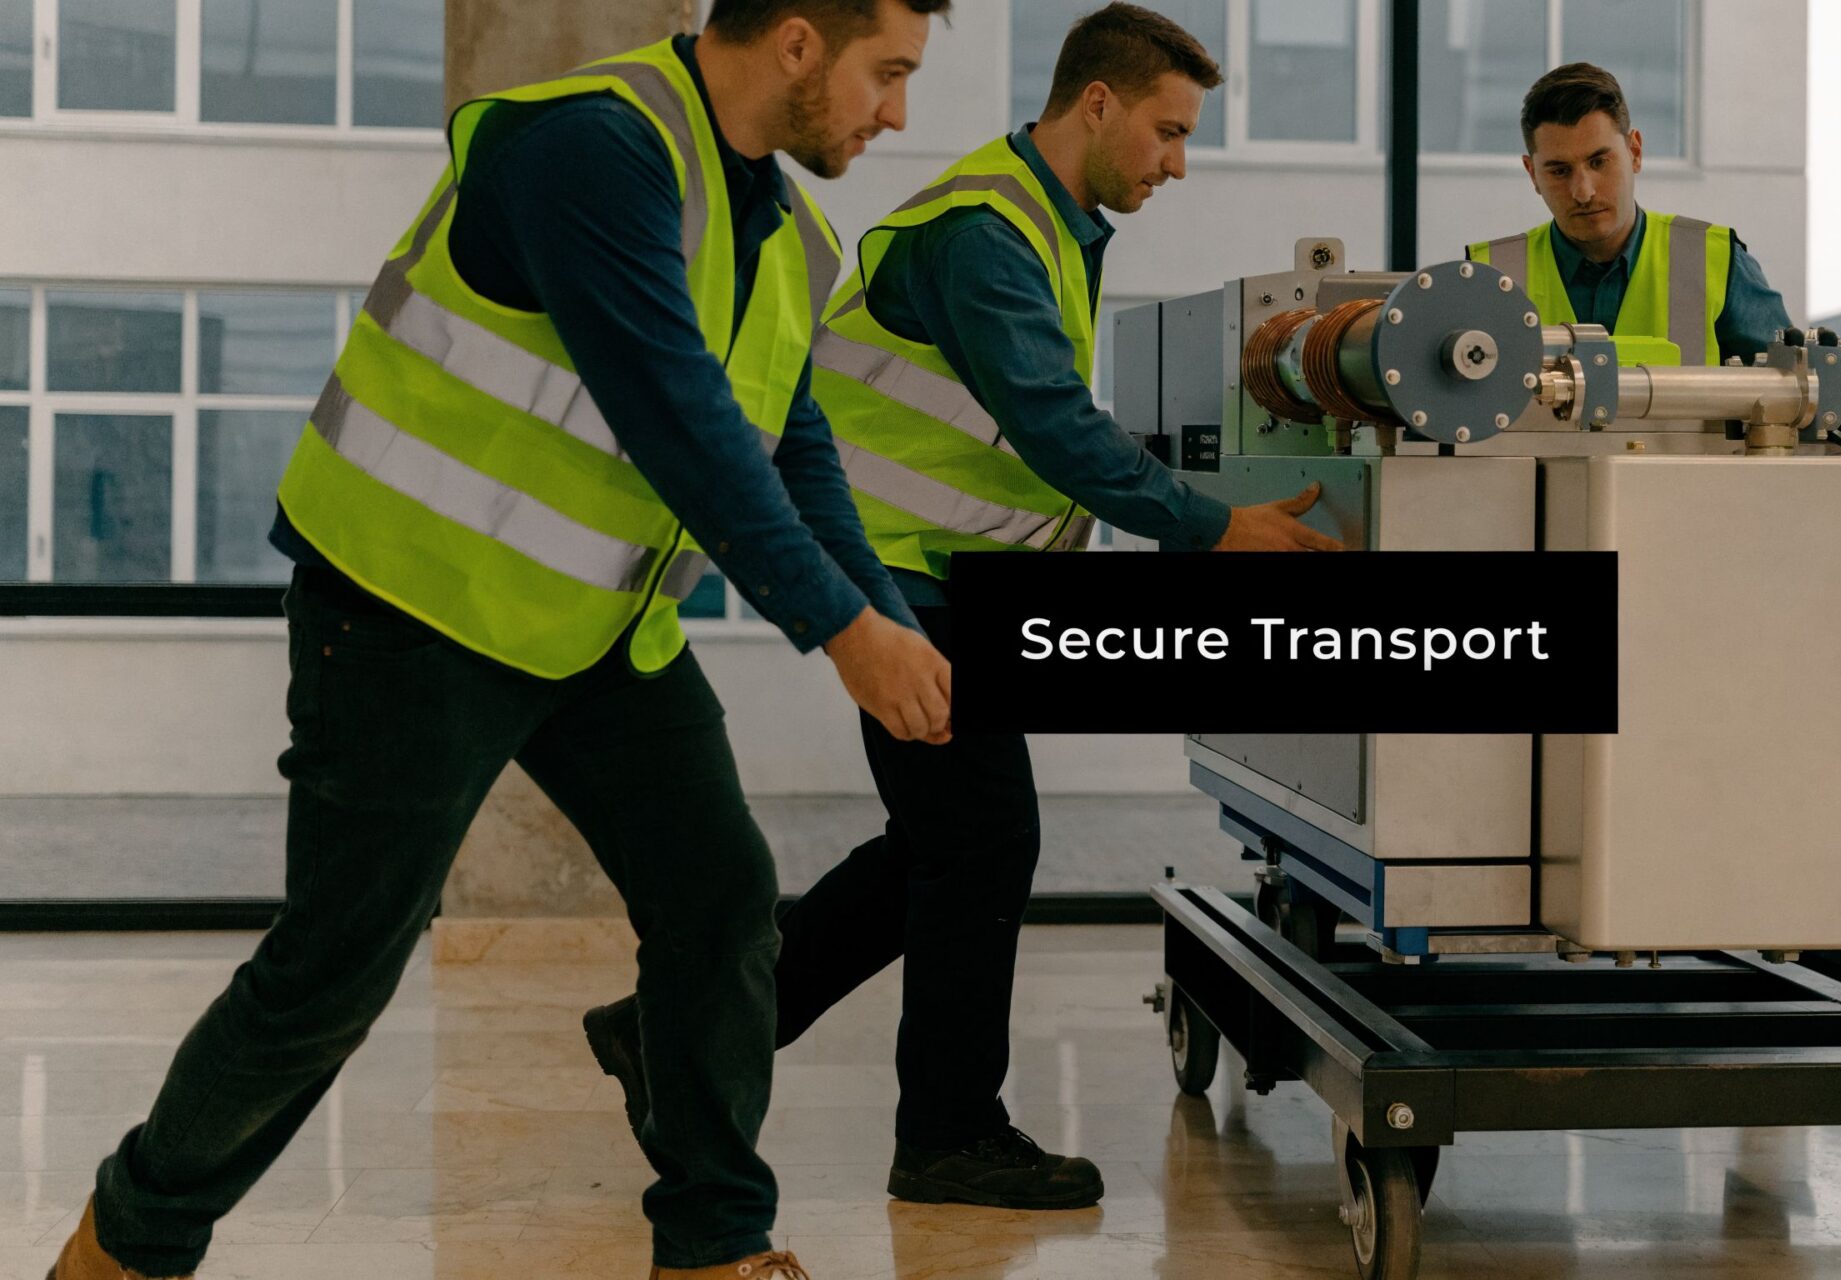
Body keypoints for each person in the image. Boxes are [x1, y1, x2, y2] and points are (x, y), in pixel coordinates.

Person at [47, 3, 956, 1277]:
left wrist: (893, 622)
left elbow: (792, 448)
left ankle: (714, 1245)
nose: (898, 115)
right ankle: (124, 1245)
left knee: (719, 899)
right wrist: (842, 630)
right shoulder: (588, 149)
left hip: (594, 629)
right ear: (798, 43)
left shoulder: (789, 233)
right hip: (409, 609)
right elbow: (677, 420)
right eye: (890, 74)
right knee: (334, 969)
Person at [582, 1, 1340, 1215]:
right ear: (1095, 102)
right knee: (981, 837)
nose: (1177, 163)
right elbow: (1049, 422)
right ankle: (944, 1131)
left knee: (944, 843)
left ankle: (670, 1031)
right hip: (898, 578)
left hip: (948, 577)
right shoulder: (986, 231)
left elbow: (1024, 432)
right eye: (1166, 130)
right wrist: (1215, 526)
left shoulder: (1042, 221)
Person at [1467, 61, 1793, 367]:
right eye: (1560, 171)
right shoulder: (1488, 279)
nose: (1584, 191)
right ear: (1532, 174)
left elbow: (1792, 400)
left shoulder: (1716, 262)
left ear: (1634, 152)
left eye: (1598, 162)